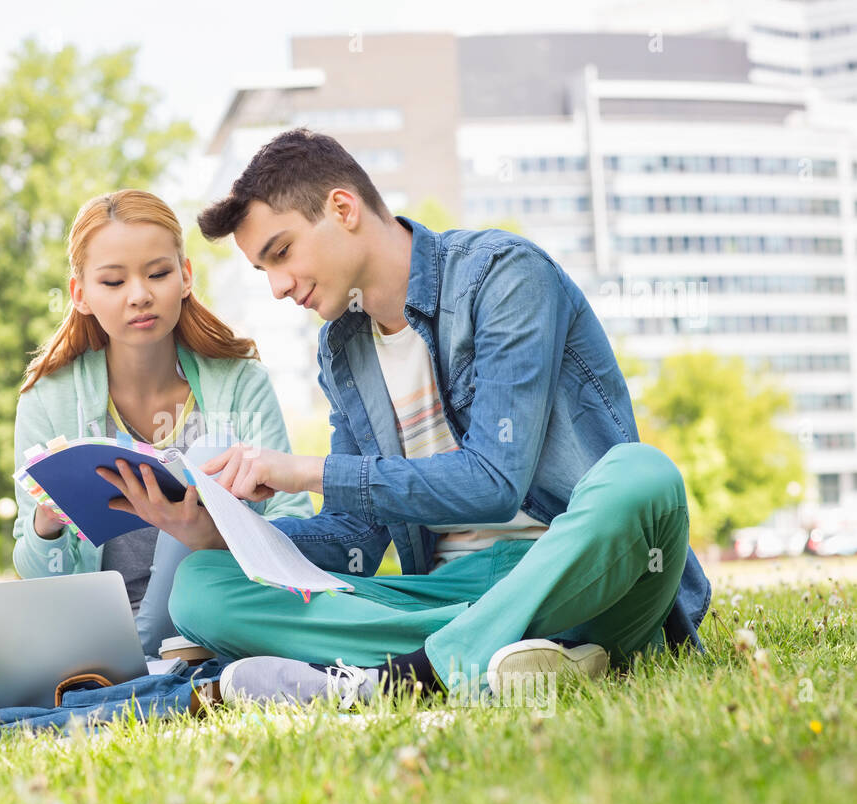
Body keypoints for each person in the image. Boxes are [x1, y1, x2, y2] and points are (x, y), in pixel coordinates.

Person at [107, 128, 711, 705]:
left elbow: (494, 485)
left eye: (281, 253)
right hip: (445, 593)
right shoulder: (343, 348)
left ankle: (404, 675)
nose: (279, 287)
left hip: (583, 572)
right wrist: (217, 535)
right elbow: (352, 542)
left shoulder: (502, 277)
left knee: (643, 477)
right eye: (263, 271)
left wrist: (304, 471)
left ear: (343, 208)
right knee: (203, 587)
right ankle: (518, 651)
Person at [13, 189, 312, 658]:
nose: (140, 296)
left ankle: (143, 656)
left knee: (209, 452)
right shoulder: (47, 399)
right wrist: (48, 521)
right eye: (112, 282)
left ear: (186, 276)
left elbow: (294, 523)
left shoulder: (239, 382)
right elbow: (41, 577)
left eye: (159, 274)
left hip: (217, 617)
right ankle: (137, 657)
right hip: (98, 637)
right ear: (80, 295)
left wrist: (209, 532)